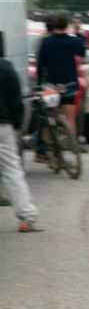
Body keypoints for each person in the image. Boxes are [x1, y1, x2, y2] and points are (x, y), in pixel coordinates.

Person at [0, 41, 42, 232]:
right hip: (3, 126)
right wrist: (17, 125)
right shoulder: (6, 68)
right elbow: (16, 101)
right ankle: (26, 217)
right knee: (11, 170)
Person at [37, 10, 86, 156]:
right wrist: (78, 32)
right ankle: (72, 145)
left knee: (49, 116)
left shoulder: (47, 41)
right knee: (70, 117)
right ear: (67, 25)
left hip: (51, 86)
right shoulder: (74, 41)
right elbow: (82, 52)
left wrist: (40, 84)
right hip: (69, 85)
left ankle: (48, 146)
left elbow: (41, 65)